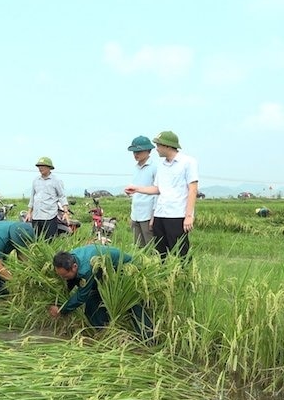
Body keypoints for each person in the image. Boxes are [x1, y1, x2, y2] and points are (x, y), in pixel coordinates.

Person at [48, 244, 153, 340]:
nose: (63, 279)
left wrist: (61, 310)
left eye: (65, 276)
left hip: (125, 270)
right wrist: (58, 300)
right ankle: (104, 333)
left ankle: (147, 338)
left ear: (74, 267)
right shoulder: (70, 259)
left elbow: (81, 297)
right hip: (104, 274)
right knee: (92, 303)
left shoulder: (86, 268)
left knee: (131, 302)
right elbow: (71, 281)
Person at [124, 131, 199, 260]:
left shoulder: (188, 162)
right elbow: (157, 189)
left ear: (168, 146)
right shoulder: (162, 165)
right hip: (160, 214)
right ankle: (164, 278)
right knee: (160, 254)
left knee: (180, 253)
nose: (156, 149)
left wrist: (189, 216)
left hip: (177, 215)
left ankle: (182, 277)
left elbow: (192, 190)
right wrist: (136, 189)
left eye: (158, 146)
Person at [26, 156, 70, 241]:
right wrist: (29, 212)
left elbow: (62, 196)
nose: (40, 168)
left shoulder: (56, 181)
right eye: (39, 166)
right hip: (36, 216)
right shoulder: (36, 180)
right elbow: (32, 197)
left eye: (43, 166)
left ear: (49, 167)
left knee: (49, 241)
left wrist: (66, 212)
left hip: (49, 216)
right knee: (36, 240)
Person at [126, 136, 157, 248]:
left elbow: (157, 192)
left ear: (148, 151)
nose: (135, 154)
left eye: (138, 151)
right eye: (134, 152)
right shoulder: (135, 168)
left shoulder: (155, 167)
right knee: (138, 247)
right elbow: (136, 192)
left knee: (150, 247)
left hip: (148, 214)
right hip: (136, 214)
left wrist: (153, 216)